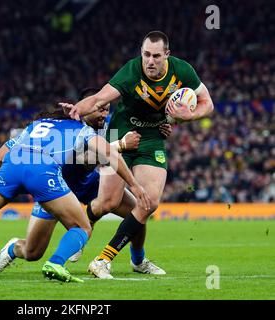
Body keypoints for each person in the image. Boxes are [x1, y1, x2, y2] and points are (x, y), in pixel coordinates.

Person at [0, 106, 151, 284]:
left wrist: (13, 182)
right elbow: (110, 155)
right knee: (82, 227)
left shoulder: (32, 127)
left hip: (13, 166)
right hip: (43, 173)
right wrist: (136, 186)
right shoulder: (81, 130)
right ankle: (56, 262)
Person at [62, 30, 214, 279]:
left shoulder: (182, 71)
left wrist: (190, 115)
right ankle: (79, 232)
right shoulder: (131, 71)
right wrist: (77, 109)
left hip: (152, 138)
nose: (150, 61)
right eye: (146, 55)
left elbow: (207, 103)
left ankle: (104, 259)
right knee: (107, 203)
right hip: (120, 133)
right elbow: (100, 98)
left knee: (149, 202)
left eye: (156, 55)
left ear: (167, 54)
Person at [0, 88, 172, 274]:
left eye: (107, 109)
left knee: (138, 211)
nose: (104, 114)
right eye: (100, 109)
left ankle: (138, 261)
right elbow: (83, 159)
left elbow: (134, 134)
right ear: (87, 107)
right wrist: (120, 145)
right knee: (33, 252)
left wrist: (159, 129)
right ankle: (12, 249)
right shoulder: (69, 125)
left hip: (89, 183)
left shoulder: (110, 127)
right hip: (56, 187)